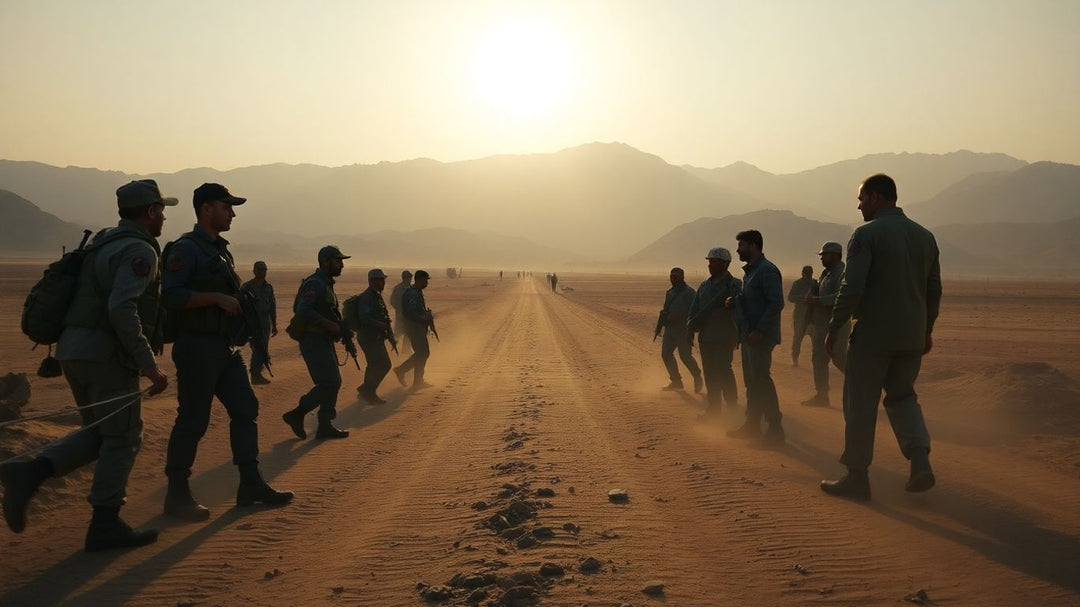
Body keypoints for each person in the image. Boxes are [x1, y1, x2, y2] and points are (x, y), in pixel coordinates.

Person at [0, 180, 174, 551]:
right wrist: (148, 364)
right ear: (150, 212)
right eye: (161, 210)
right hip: (104, 356)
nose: (163, 218)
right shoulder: (139, 250)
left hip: (73, 351)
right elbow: (122, 307)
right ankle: (105, 523)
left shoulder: (104, 242)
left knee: (100, 432)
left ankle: (30, 474)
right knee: (124, 436)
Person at [161, 183, 293, 522]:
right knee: (193, 419)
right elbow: (171, 295)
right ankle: (177, 494)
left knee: (246, 408)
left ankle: (250, 483)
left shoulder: (220, 251)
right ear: (206, 209)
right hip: (197, 346)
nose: (232, 213)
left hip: (223, 347)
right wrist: (216, 299)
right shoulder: (186, 250)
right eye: (226, 206)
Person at [821, 174, 941, 500]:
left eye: (861, 199)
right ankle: (919, 461)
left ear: (875, 197)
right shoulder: (925, 236)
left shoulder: (866, 234)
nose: (859, 206)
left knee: (860, 403)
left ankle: (857, 477)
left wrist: (835, 326)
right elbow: (933, 290)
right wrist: (926, 330)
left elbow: (852, 287)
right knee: (903, 397)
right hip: (911, 337)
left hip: (874, 335)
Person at [281, 246, 353, 440]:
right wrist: (330, 325)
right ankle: (298, 413)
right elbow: (303, 309)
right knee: (329, 382)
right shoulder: (315, 283)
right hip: (313, 340)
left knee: (333, 382)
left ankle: (324, 425)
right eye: (338, 261)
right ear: (325, 262)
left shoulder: (326, 284)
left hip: (323, 339)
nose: (342, 265)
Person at [726, 230, 786, 444]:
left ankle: (775, 429)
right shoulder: (751, 272)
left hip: (760, 336)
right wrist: (735, 300)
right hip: (749, 334)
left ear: (753, 246)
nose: (738, 250)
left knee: (761, 380)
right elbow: (752, 298)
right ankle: (752, 425)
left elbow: (776, 302)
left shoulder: (766, 270)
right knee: (752, 382)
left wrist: (760, 330)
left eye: (741, 245)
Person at [687, 249, 742, 414]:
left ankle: (732, 405)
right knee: (709, 372)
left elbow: (738, 311)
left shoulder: (734, 284)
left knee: (724, 370)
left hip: (724, 336)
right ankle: (714, 407)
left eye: (715, 262)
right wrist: (690, 329)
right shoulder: (704, 285)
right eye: (710, 262)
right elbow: (695, 309)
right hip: (706, 336)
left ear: (726, 264)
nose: (710, 265)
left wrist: (735, 334)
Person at [801, 242, 849, 407]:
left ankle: (866, 387)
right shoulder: (826, 274)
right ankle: (822, 395)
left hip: (837, 326)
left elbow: (840, 297)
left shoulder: (843, 274)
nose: (821, 258)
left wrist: (818, 300)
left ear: (835, 256)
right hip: (821, 325)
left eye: (824, 255)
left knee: (839, 358)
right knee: (819, 359)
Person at [657, 267, 703, 393]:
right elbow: (666, 309)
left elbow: (695, 310)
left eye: (676, 277)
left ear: (682, 277)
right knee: (666, 354)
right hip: (670, 329)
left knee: (685, 356)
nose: (673, 279)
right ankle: (676, 381)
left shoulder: (689, 293)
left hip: (684, 330)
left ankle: (697, 375)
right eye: (671, 277)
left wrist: (681, 315)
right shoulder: (670, 292)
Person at [355, 268, 394, 404]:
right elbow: (364, 317)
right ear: (372, 281)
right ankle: (367, 390)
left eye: (383, 280)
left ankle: (367, 391)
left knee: (374, 364)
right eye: (380, 280)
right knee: (384, 364)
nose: (383, 282)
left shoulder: (376, 296)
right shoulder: (367, 297)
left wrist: (388, 332)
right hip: (369, 337)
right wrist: (380, 325)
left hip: (375, 337)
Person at [394, 269, 433, 389]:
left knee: (422, 353)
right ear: (419, 280)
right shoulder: (412, 293)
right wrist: (423, 319)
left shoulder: (417, 292)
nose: (427, 283)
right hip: (414, 328)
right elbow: (410, 312)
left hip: (417, 327)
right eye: (425, 280)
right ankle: (402, 371)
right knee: (423, 353)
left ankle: (417, 380)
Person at [241, 260, 277, 385]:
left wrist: (274, 325)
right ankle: (255, 374)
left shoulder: (268, 288)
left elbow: (272, 307)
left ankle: (257, 374)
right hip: (252, 323)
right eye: (260, 269)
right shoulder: (247, 287)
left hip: (265, 322)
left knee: (263, 348)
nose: (262, 272)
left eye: (264, 270)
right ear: (254, 271)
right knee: (257, 348)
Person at [787, 266, 816, 366]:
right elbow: (790, 297)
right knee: (797, 339)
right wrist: (801, 297)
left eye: (810, 273)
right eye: (807, 273)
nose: (809, 275)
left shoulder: (815, 283)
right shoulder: (797, 284)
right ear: (803, 273)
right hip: (800, 317)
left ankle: (816, 361)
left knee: (816, 341)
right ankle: (795, 360)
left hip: (813, 317)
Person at [389, 270, 412, 354]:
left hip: (410, 317)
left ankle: (406, 352)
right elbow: (392, 301)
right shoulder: (397, 288)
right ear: (404, 278)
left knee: (408, 334)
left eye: (410, 278)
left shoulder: (412, 289)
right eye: (409, 278)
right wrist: (399, 308)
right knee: (398, 334)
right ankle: (392, 350)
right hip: (400, 316)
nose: (410, 279)